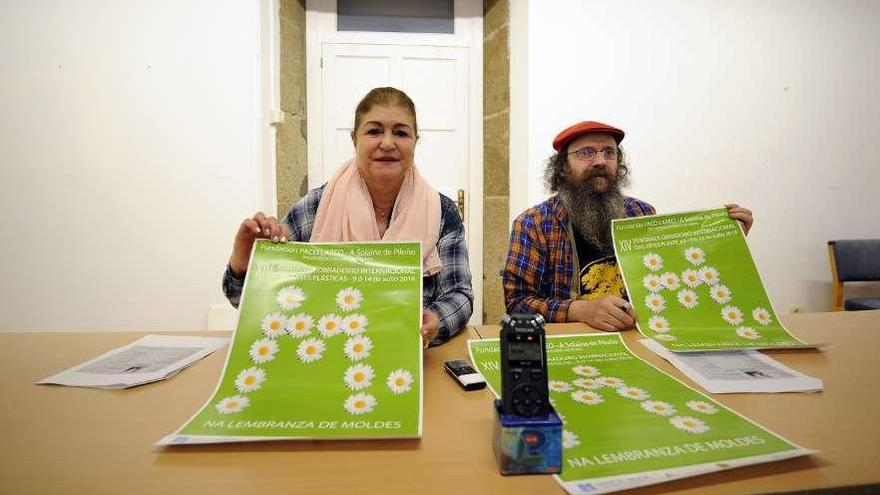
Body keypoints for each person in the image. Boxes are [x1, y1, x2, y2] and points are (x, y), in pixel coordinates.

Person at [222, 87, 473, 346]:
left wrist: (435, 319)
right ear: (354, 139)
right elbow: (245, 301)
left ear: (415, 141)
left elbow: (460, 295)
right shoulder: (316, 207)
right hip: (324, 356)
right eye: (374, 131)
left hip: (409, 359)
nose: (387, 143)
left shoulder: (441, 212)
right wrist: (244, 266)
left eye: (400, 132)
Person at [503, 120, 753, 332]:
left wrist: (728, 242)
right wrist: (581, 310)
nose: (600, 161)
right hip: (569, 346)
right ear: (563, 168)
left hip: (635, 338)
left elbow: (676, 280)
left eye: (609, 152)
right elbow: (518, 303)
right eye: (586, 152)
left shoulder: (642, 214)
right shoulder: (533, 224)